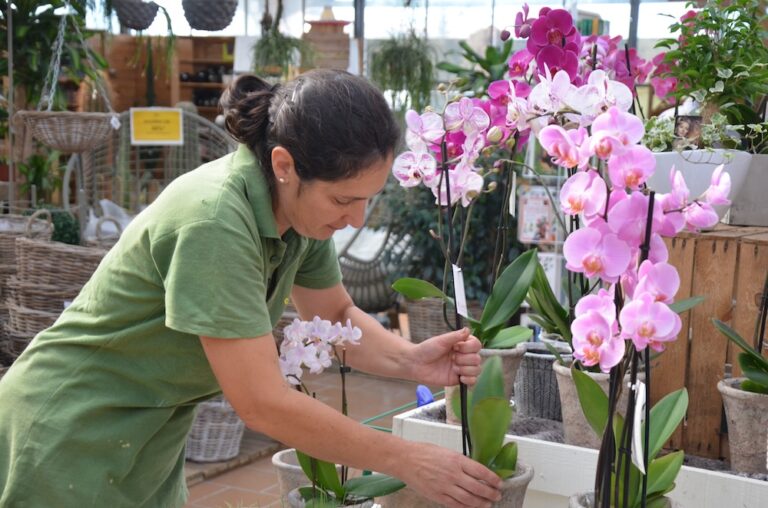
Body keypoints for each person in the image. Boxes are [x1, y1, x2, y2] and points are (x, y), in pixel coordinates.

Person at [0, 70, 502, 508]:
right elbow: (261, 402)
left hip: (145, 441)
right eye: (344, 200)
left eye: (368, 200)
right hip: (69, 431)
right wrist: (407, 460)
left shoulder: (300, 216)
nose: (355, 219)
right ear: (284, 165)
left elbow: (336, 313)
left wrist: (409, 359)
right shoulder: (215, 220)